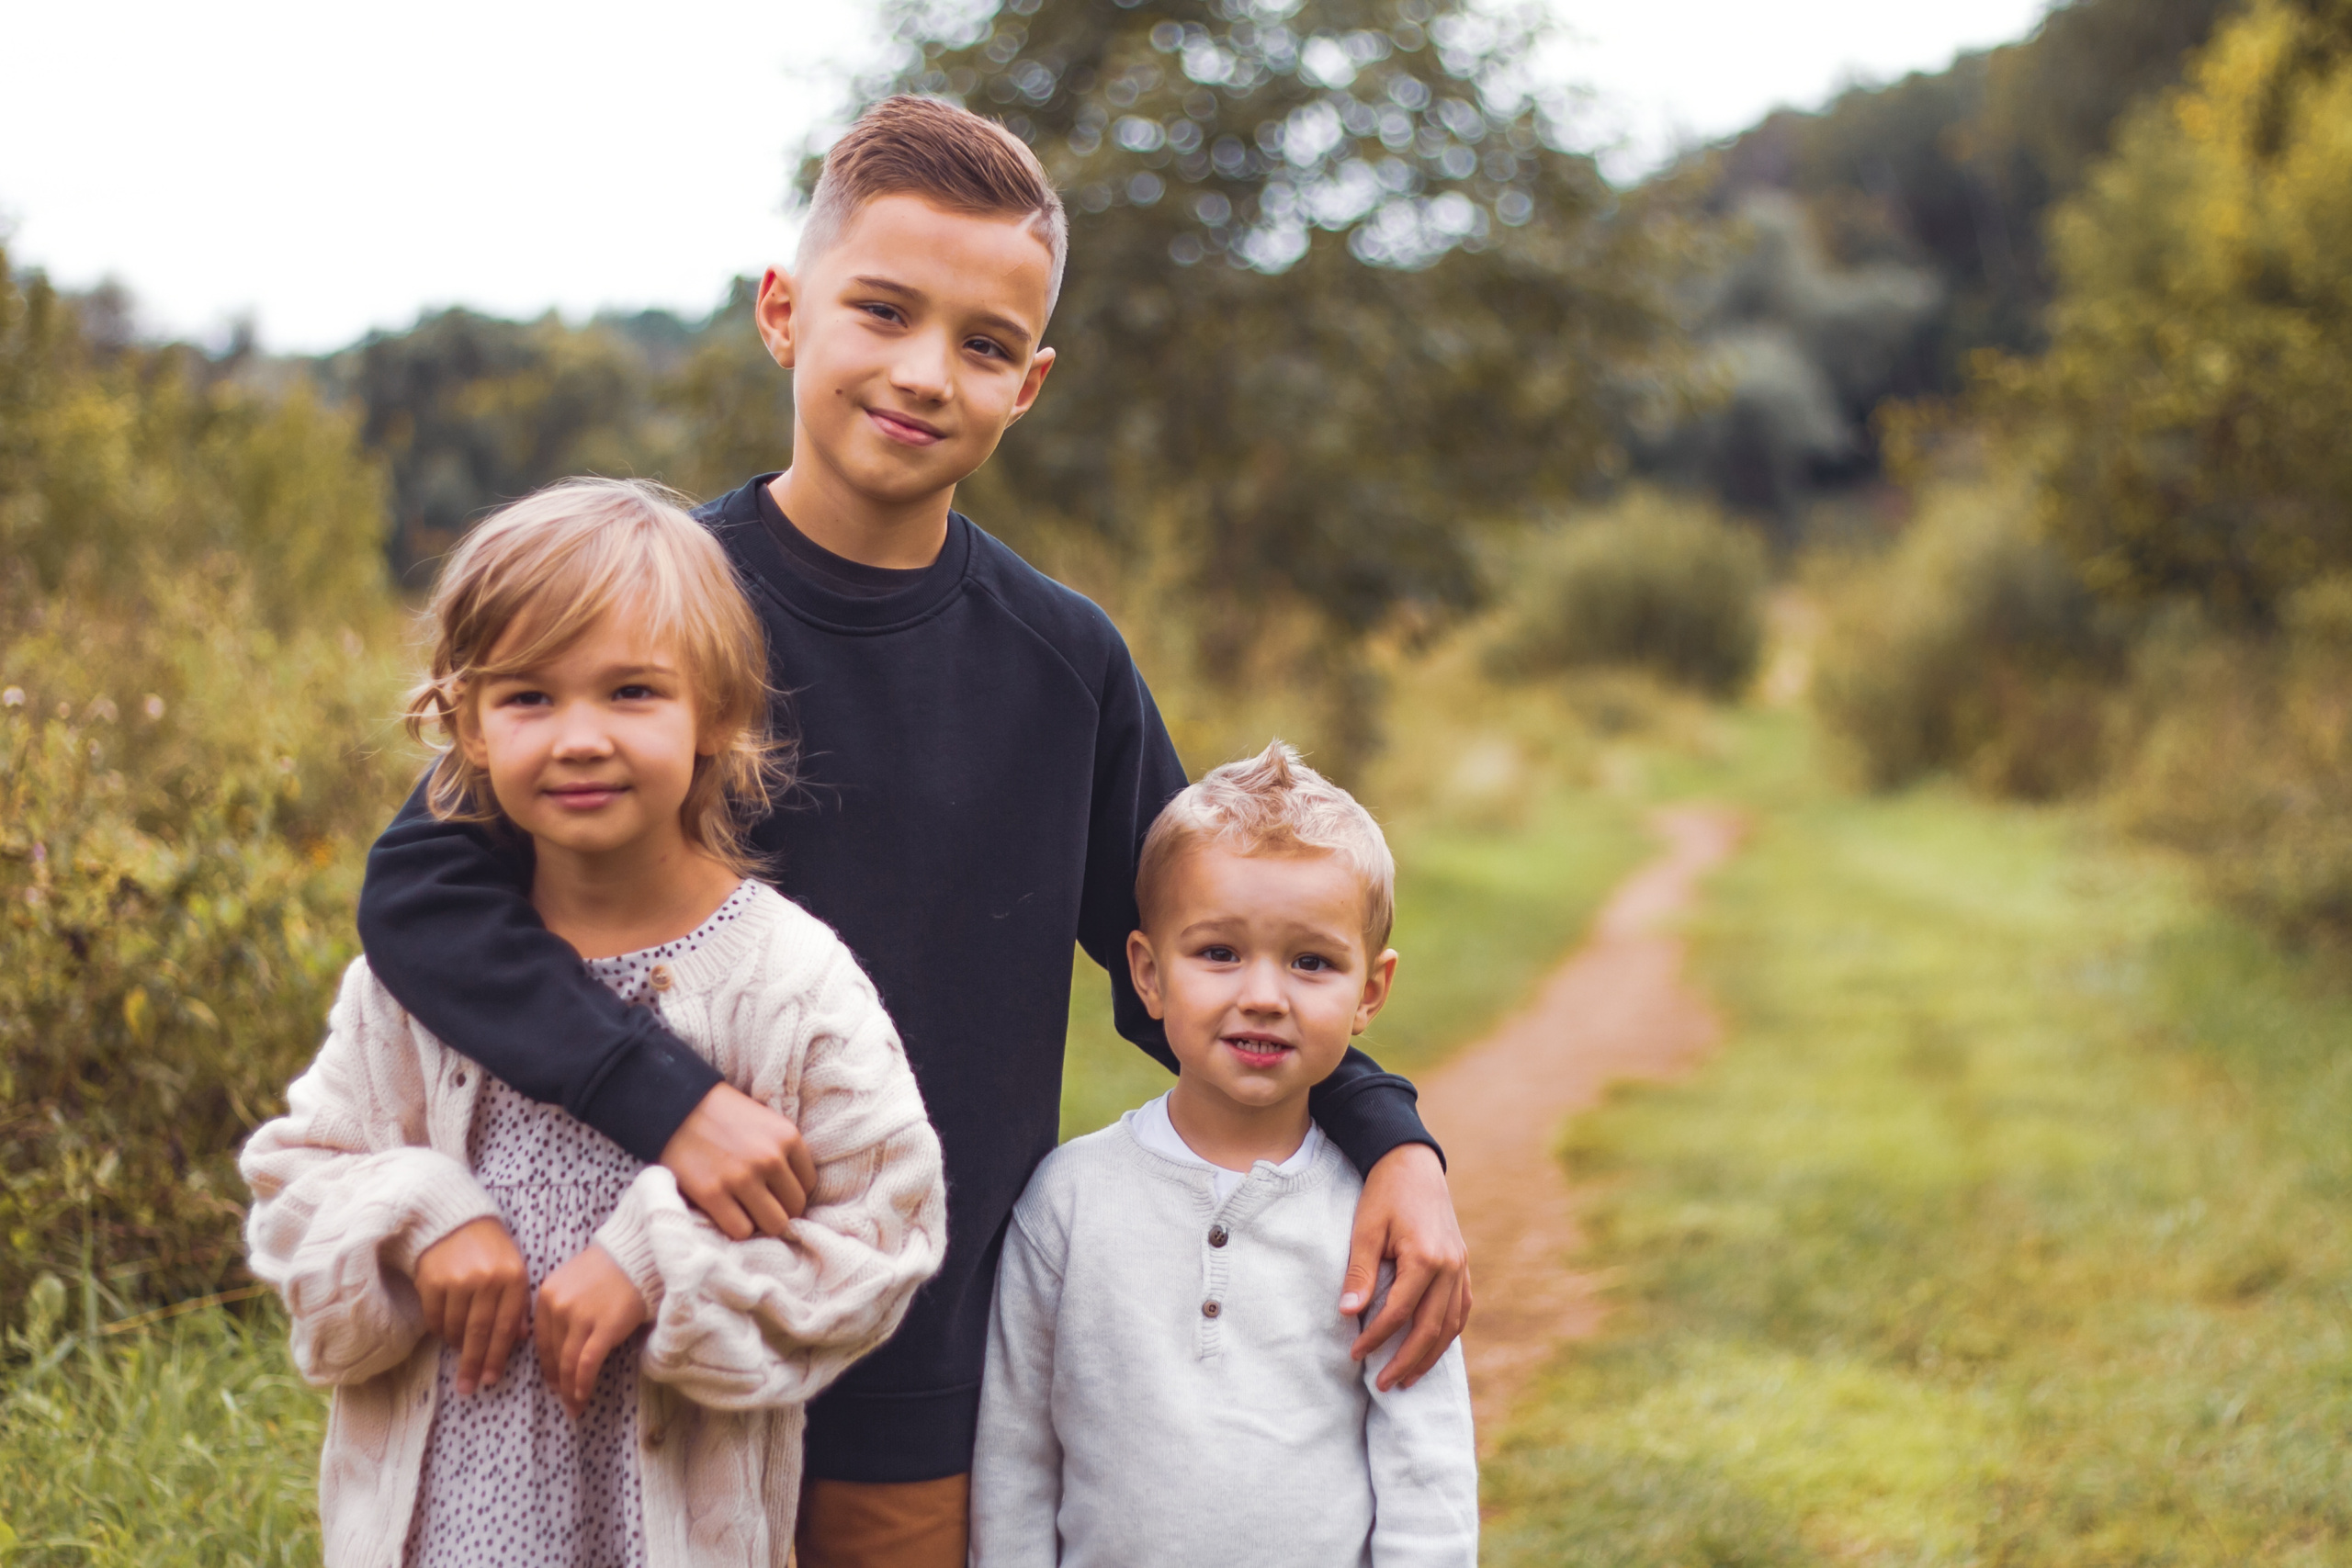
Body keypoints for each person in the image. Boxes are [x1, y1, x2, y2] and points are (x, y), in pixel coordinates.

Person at [354, 95, 1471, 1566]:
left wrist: (1391, 1137)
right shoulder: (642, 621)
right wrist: (669, 1100)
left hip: (916, 1361)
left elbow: (1200, 955)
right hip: (639, 1330)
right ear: (783, 310)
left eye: (985, 343)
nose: (924, 371)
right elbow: (422, 891)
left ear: (1033, 381)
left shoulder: (1064, 665)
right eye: (881, 309)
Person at [242, 479, 947, 1566]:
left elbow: (886, 1230)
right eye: (527, 698)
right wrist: (417, 1212)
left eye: (630, 693)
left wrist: (662, 1262)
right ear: (465, 728)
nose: (578, 738)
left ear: (715, 712)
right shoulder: (416, 986)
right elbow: (297, 1199)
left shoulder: (789, 981)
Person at [971, 741, 1478, 1567]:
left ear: (1371, 992)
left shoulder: (1383, 1219)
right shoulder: (1066, 1200)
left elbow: (1429, 1473)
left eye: (1311, 962)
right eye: (1218, 952)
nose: (1264, 996)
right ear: (1147, 972)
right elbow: (1017, 1461)